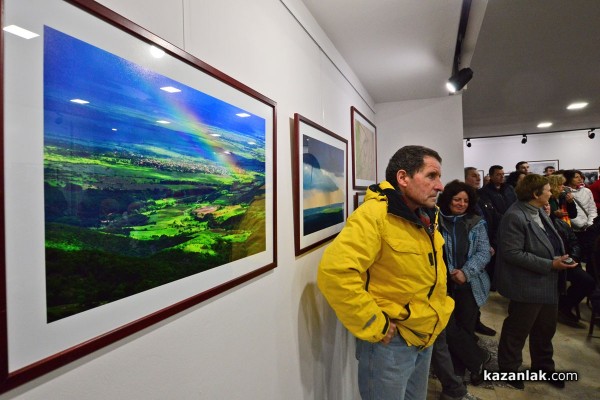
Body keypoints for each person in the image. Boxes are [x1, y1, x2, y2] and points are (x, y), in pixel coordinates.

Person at [318, 145, 454, 400]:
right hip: (391, 343)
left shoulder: (425, 216)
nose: (440, 186)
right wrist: (374, 323)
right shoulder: (375, 215)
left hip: (424, 334)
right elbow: (335, 272)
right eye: (431, 176)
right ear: (403, 178)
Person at [495, 174, 577, 390]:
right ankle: (508, 370)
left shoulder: (539, 210)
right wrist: (551, 264)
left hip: (548, 282)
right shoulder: (515, 215)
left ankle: (544, 368)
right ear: (535, 193)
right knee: (517, 331)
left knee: (545, 330)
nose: (552, 192)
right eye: (548, 190)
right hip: (527, 285)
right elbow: (512, 253)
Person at [437, 180, 492, 384]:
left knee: (467, 328)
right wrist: (452, 272)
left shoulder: (476, 222)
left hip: (470, 284)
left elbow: (484, 251)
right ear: (448, 199)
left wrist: (465, 273)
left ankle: (461, 373)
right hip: (444, 285)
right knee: (449, 330)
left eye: (465, 200)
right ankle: (477, 361)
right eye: (457, 199)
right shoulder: (436, 220)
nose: (461, 204)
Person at [542, 202, 595, 327]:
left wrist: (573, 257)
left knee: (588, 281)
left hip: (567, 262)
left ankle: (564, 306)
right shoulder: (535, 225)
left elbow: (575, 243)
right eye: (543, 205)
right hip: (548, 263)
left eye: (548, 205)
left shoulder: (561, 224)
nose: (546, 207)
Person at [464, 167, 498, 336]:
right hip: (473, 252)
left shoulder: (482, 197)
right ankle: (472, 325)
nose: (478, 178)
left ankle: (476, 322)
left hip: (486, 247)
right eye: (473, 176)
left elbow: (489, 221)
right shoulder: (466, 200)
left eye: (479, 176)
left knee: (480, 288)